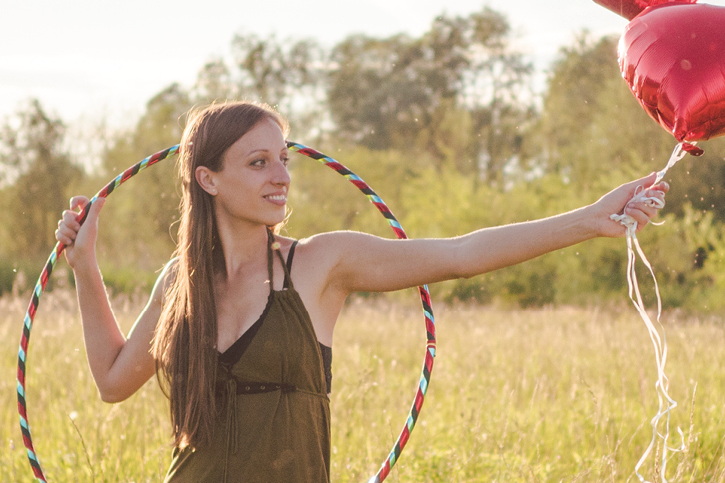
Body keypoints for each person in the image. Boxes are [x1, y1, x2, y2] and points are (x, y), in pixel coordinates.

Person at [55, 101, 669, 482]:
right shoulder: (178, 284)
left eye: (283, 159)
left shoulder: (323, 264)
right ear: (207, 179)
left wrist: (589, 219)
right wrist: (85, 268)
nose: (281, 176)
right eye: (258, 163)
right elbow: (112, 382)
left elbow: (459, 255)